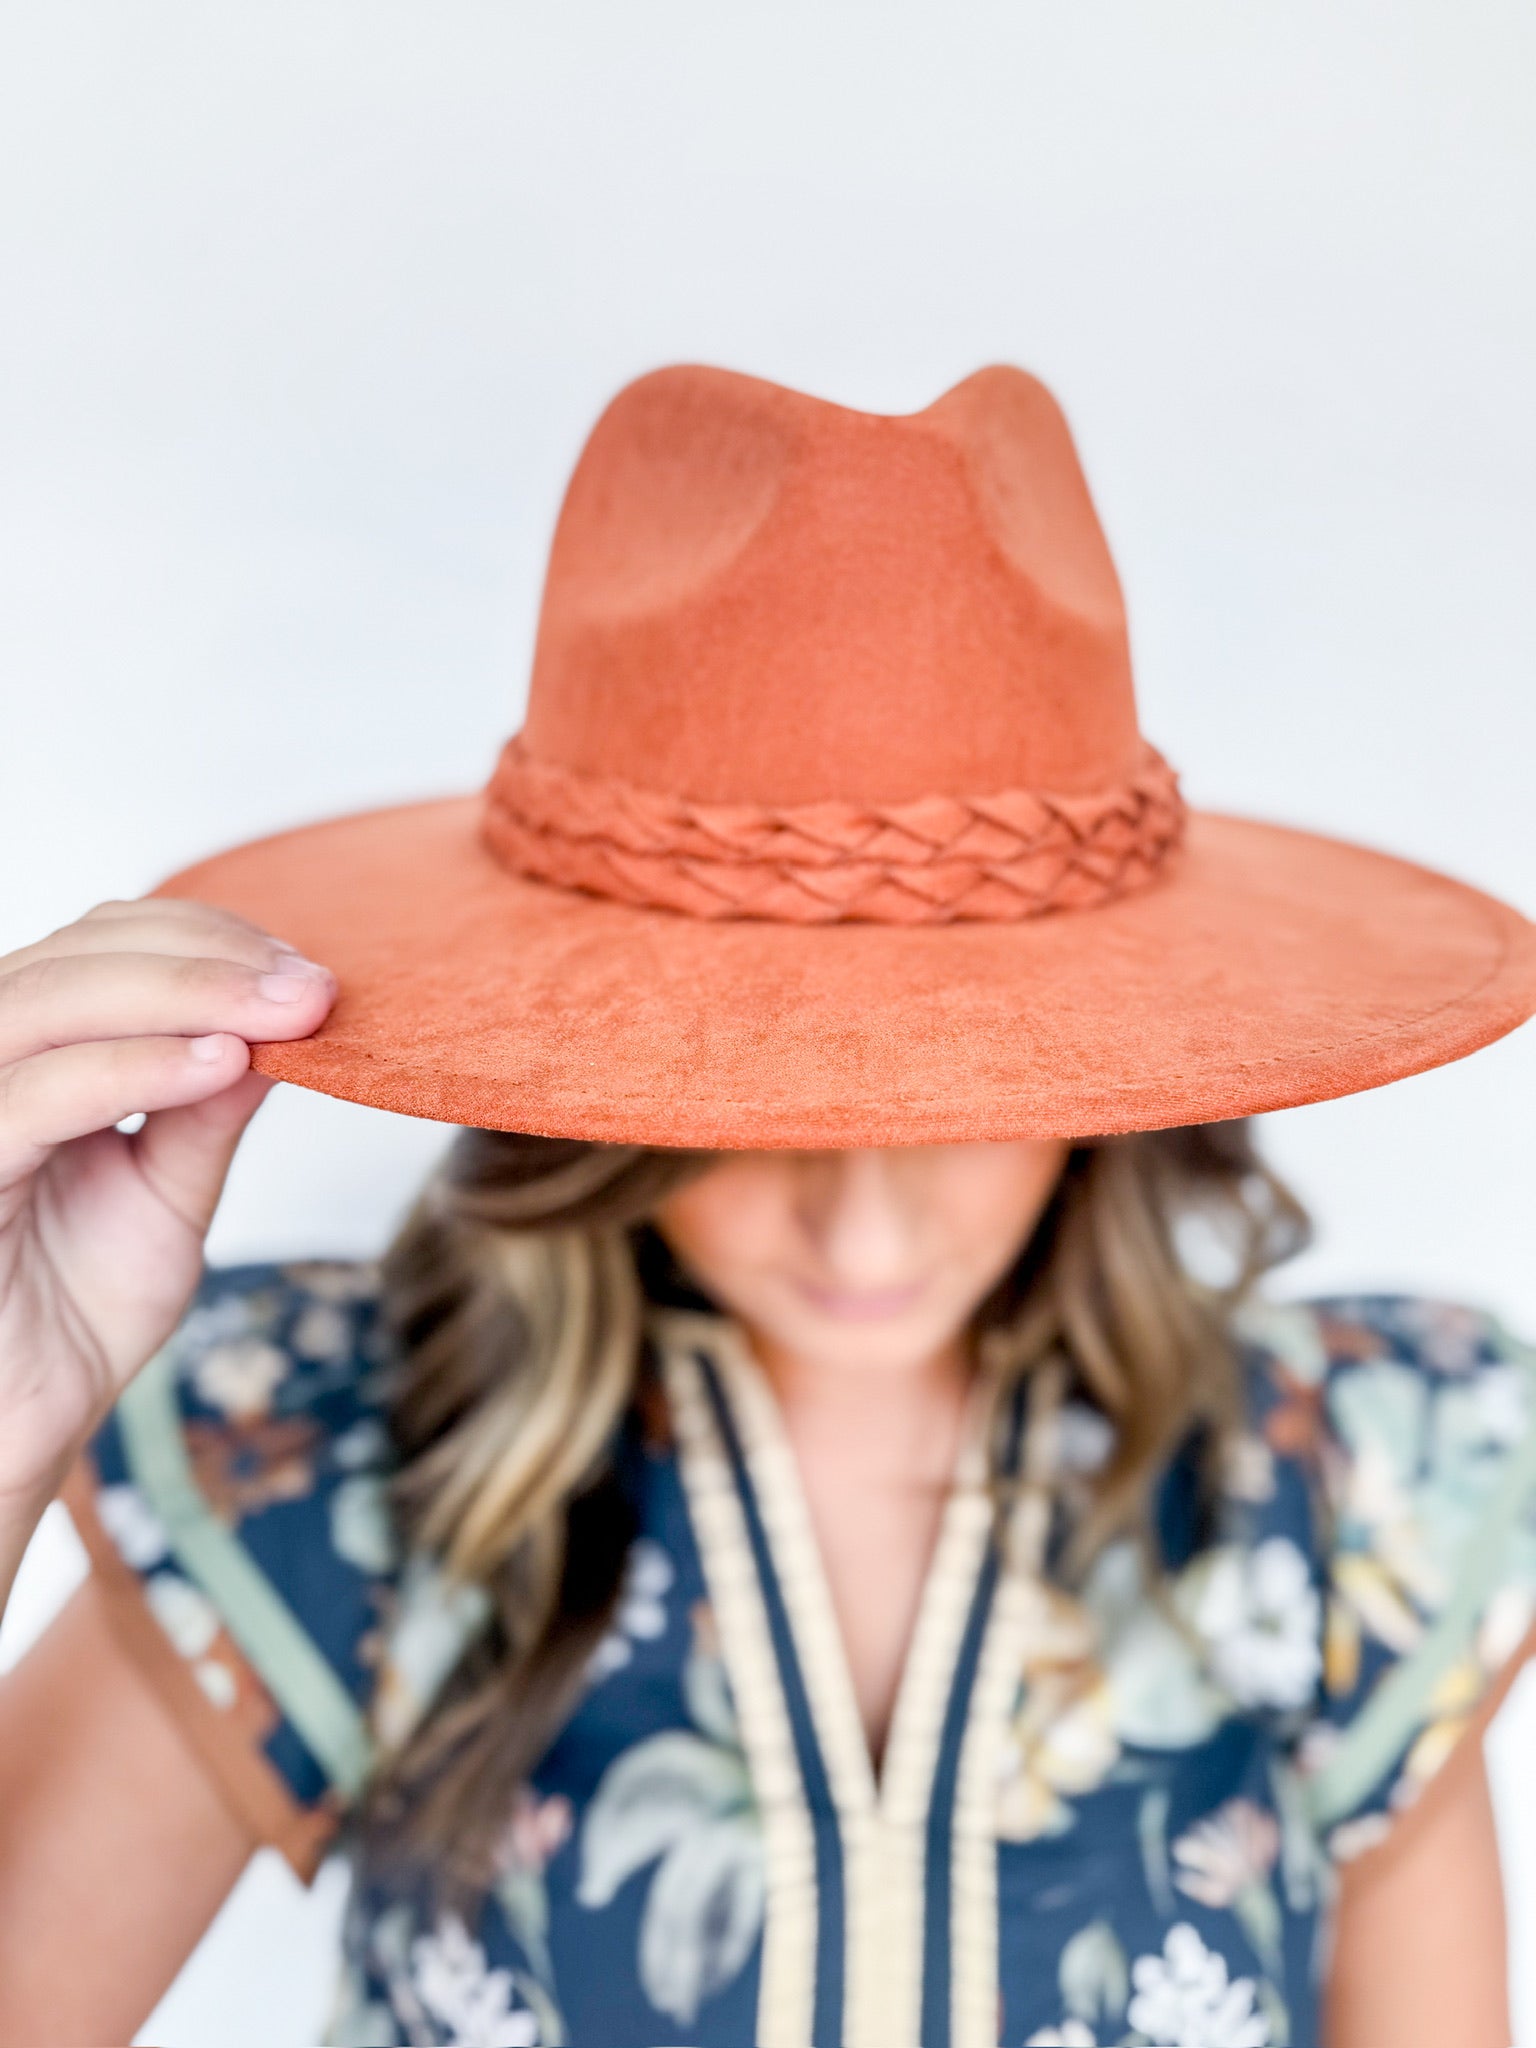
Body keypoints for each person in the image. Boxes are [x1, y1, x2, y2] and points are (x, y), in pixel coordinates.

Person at [0, 364, 1533, 2048]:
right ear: (598, 1111)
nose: (864, 1233)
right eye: (753, 1108)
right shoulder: (336, 1461)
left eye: (973, 1092)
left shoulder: (1356, 1495)